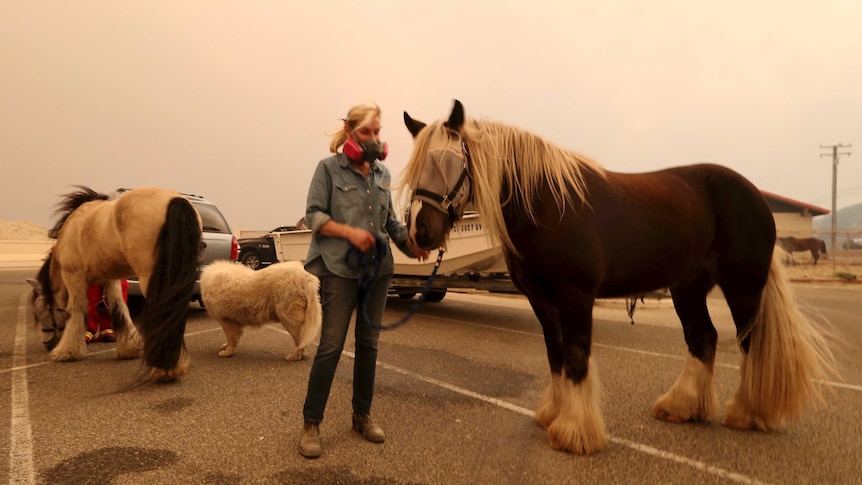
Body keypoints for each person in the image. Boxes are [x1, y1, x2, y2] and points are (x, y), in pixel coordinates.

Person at [298, 103, 429, 459]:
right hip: (339, 270)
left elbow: (390, 222)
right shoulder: (328, 169)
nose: (375, 138)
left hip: (378, 271)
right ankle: (311, 422)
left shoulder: (383, 174)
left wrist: (410, 244)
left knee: (369, 346)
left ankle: (361, 415)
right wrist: (349, 234)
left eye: (378, 132)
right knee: (330, 347)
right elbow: (314, 216)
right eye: (368, 132)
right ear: (350, 132)